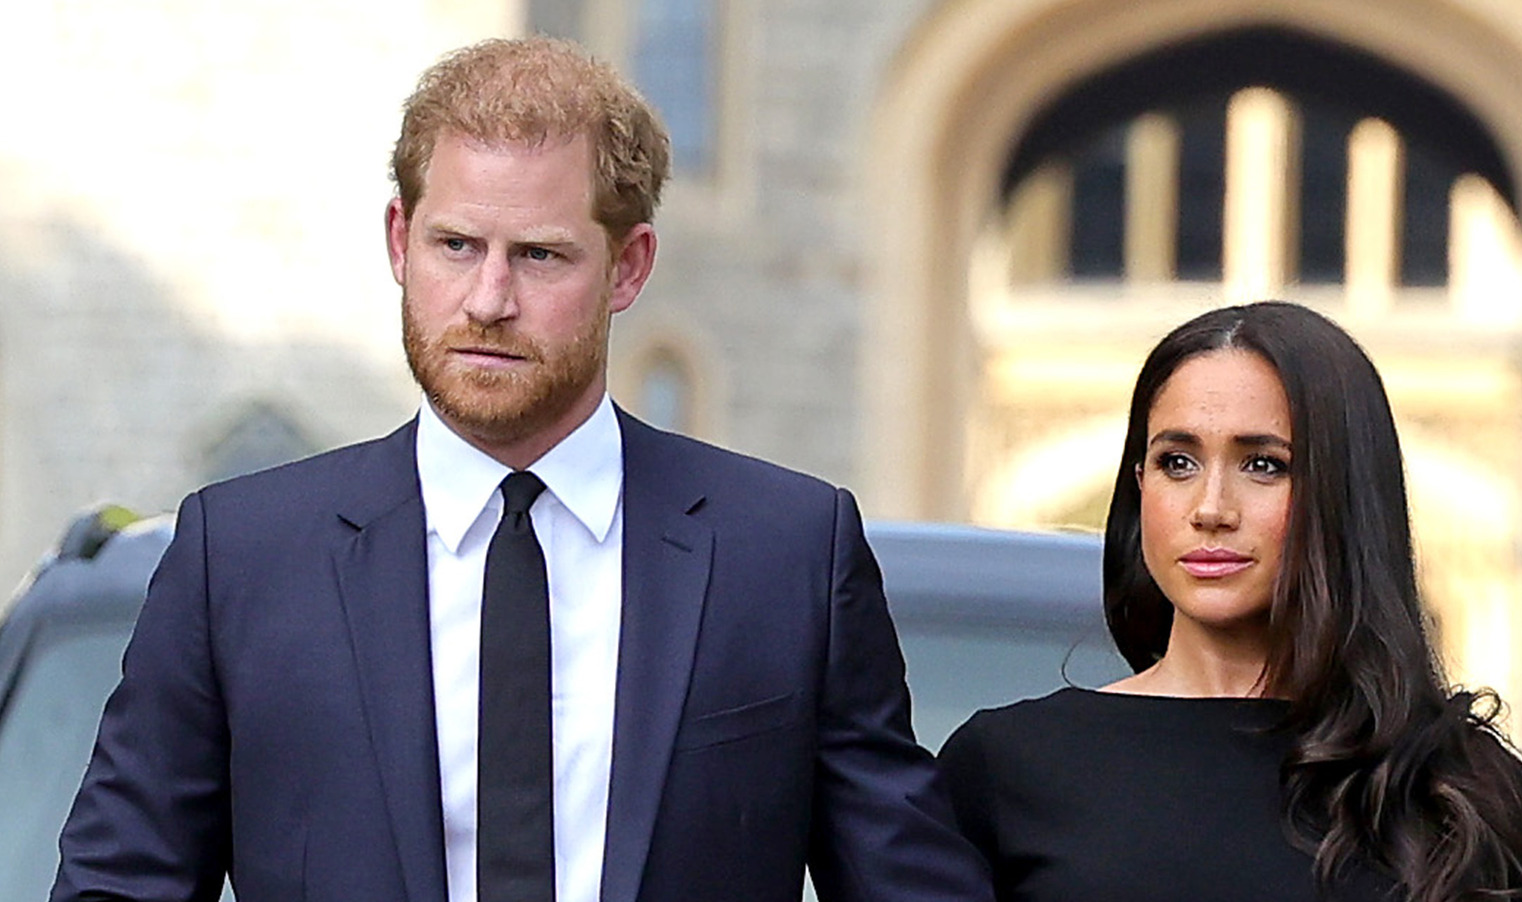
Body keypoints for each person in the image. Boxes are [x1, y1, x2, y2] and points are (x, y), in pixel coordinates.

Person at [51, 36, 992, 902]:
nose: (489, 300)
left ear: (629, 268)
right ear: (397, 241)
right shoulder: (240, 559)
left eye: (540, 256)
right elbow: (119, 886)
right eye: (455, 246)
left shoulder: (786, 555)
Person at [938, 301, 1522, 901]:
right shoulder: (1007, 765)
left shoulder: (1457, 788)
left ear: (1344, 494)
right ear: (1139, 487)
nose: (1211, 509)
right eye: (1177, 462)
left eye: (1264, 465)